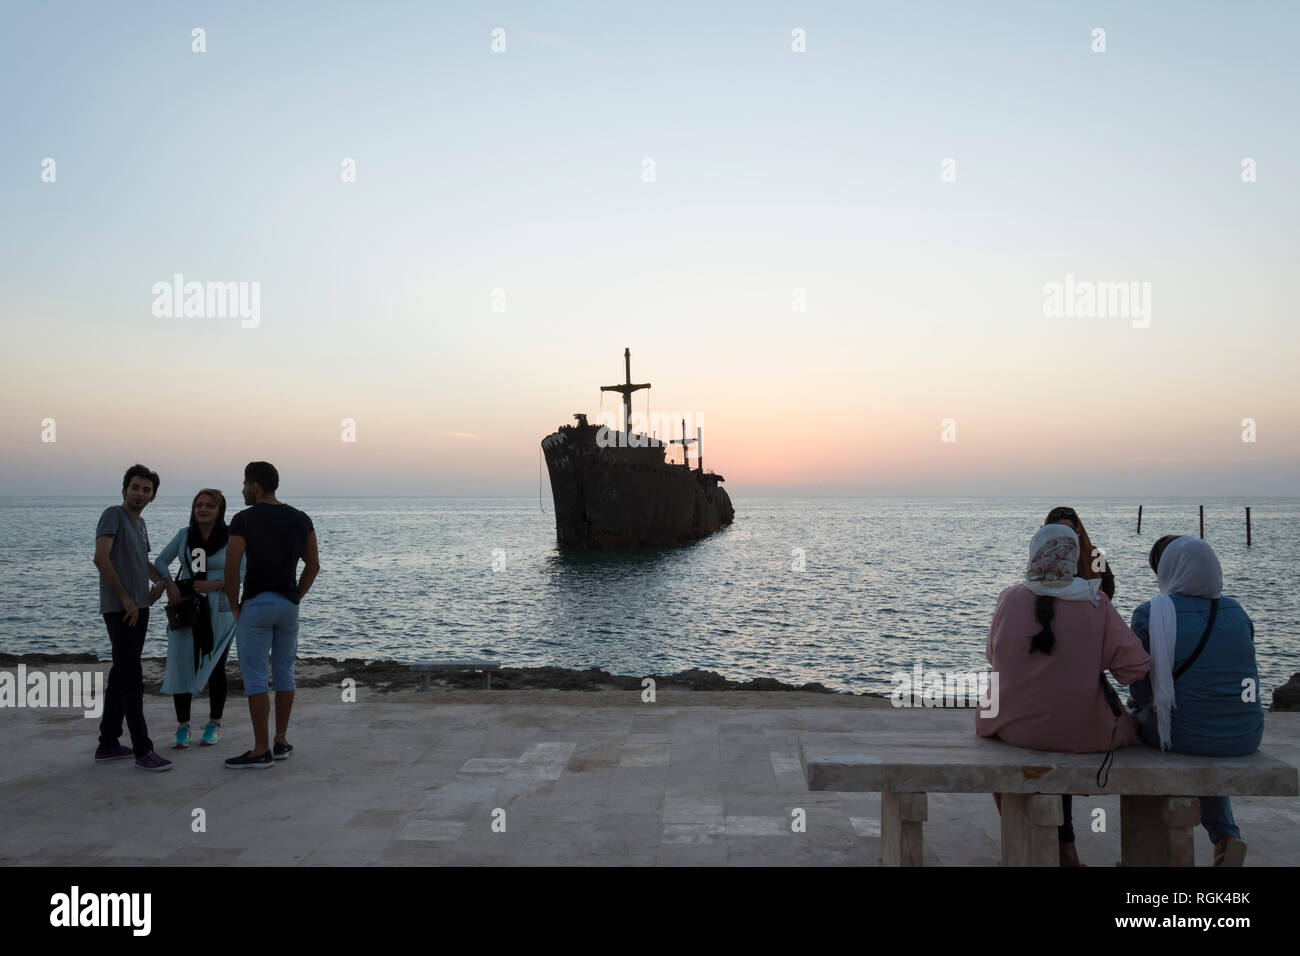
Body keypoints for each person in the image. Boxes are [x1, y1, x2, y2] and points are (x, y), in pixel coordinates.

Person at [977, 523, 1149, 865]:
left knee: (1008, 749)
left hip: (1013, 727)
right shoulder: (1097, 602)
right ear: (1075, 559)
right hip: (1085, 731)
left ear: (1034, 555)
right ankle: (1066, 846)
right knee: (1122, 727)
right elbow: (1134, 669)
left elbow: (993, 657)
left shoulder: (1009, 598)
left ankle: (1041, 841)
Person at [1129, 536, 1263, 866]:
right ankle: (1225, 836)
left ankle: (1146, 854)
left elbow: (1141, 693)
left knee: (1144, 726)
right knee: (1203, 724)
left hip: (1184, 734)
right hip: (1246, 733)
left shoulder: (1149, 614)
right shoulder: (1236, 611)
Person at [222, 462, 319, 769]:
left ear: (256, 487)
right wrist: (297, 597)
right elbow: (313, 564)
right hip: (288, 606)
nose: (242, 489)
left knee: (254, 677)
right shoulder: (301, 519)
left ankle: (260, 749)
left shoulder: (243, 520)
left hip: (257, 604)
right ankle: (280, 740)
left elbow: (231, 568)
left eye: (244, 484)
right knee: (285, 672)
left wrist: (235, 605)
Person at [92, 464, 173, 771]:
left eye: (146, 489)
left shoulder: (141, 525)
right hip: (121, 609)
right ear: (124, 489)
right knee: (132, 679)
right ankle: (143, 750)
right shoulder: (113, 515)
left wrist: (161, 583)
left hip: (140, 608)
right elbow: (101, 558)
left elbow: (143, 562)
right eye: (135, 487)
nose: (140, 493)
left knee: (120, 675)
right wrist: (126, 598)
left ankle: (108, 743)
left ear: (152, 496)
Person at [154, 489, 244, 749]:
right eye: (199, 505)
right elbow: (161, 560)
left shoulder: (230, 539)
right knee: (182, 664)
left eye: (209, 506)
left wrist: (214, 584)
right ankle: (183, 727)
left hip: (220, 607)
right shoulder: (185, 535)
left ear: (220, 511)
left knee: (216, 665)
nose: (203, 510)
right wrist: (169, 583)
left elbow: (244, 571)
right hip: (187, 604)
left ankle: (214, 723)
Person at [1044, 505, 1115, 600]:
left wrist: (1100, 607)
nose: (1064, 533)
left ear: (1077, 531)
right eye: (1059, 529)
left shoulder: (1095, 554)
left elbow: (1108, 583)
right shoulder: (1043, 555)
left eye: (1068, 529)